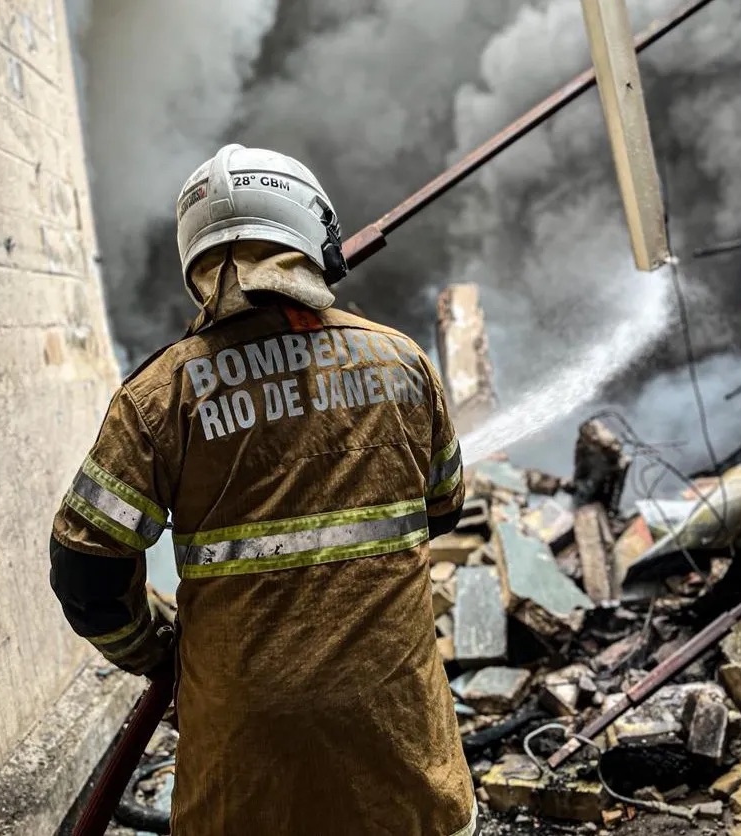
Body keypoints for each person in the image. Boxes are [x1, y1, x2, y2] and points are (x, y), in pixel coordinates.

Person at [49, 144, 475, 836]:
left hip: (243, 785)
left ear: (195, 258)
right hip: (406, 771)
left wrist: (161, 656)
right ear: (317, 237)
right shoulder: (402, 361)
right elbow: (444, 505)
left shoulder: (161, 395)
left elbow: (84, 568)